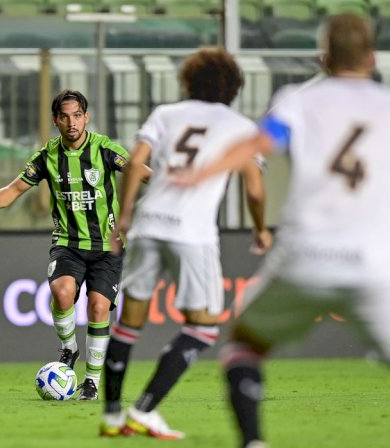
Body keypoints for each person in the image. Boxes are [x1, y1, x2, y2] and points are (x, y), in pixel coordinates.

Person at [174, 14, 390, 448]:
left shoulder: (297, 101)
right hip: (379, 267)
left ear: (324, 58)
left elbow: (259, 143)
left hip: (306, 259)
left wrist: (203, 172)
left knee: (243, 348)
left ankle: (254, 442)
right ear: (373, 57)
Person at [99, 47, 272, 440]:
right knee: (203, 327)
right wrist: (260, 228)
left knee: (129, 323)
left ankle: (111, 417)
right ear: (233, 86)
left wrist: (125, 215)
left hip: (148, 223)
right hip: (192, 233)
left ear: (189, 79)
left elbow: (134, 161)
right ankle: (143, 410)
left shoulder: (166, 113)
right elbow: (255, 188)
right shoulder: (241, 127)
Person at [0, 89, 148, 400]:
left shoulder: (105, 150)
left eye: (77, 115)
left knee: (98, 307)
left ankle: (92, 381)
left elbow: (138, 170)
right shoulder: (46, 157)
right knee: (62, 292)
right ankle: (69, 348)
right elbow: (15, 188)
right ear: (56, 120)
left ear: (86, 117)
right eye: (65, 116)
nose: (72, 122)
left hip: (107, 247)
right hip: (68, 242)